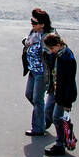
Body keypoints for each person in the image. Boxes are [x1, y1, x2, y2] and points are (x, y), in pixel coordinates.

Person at [42, 33, 77, 157]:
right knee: (48, 111)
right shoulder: (57, 55)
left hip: (63, 94)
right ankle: (65, 137)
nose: (50, 51)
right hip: (54, 89)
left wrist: (68, 102)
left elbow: (69, 82)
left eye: (52, 48)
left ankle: (60, 145)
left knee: (57, 117)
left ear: (58, 45)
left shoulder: (68, 58)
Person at [22, 8, 52, 137]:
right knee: (29, 94)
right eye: (31, 21)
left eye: (34, 22)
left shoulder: (49, 37)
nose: (32, 24)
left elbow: (53, 53)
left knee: (37, 99)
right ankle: (45, 118)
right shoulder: (34, 32)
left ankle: (39, 128)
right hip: (32, 70)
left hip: (42, 72)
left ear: (42, 24)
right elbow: (28, 42)